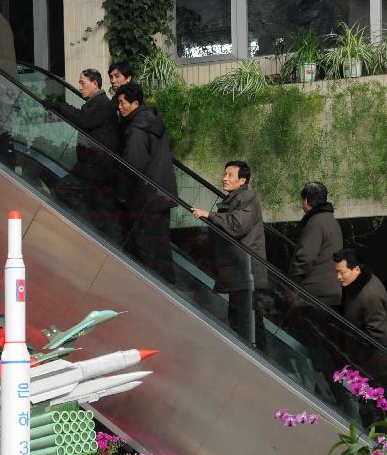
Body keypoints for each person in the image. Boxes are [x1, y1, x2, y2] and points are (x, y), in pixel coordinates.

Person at [192, 161, 267, 347]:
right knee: (242, 319)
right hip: (238, 271)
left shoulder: (247, 199)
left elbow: (237, 225)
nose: (224, 178)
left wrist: (209, 215)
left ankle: (256, 357)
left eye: (230, 175)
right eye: (224, 174)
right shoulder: (237, 199)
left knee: (247, 321)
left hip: (245, 272)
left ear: (242, 180)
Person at [115, 82, 177, 283]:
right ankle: (169, 292)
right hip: (162, 195)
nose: (119, 107)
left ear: (135, 103)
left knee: (146, 250)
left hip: (145, 199)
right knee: (161, 248)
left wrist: (123, 195)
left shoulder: (137, 129)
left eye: (122, 102)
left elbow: (133, 165)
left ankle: (155, 294)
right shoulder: (153, 122)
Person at [48, 69, 121, 240]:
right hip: (97, 165)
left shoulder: (100, 104)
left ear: (95, 84)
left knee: (63, 188)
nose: (79, 87)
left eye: (83, 82)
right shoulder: (97, 104)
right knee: (104, 207)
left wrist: (59, 105)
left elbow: (82, 120)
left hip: (95, 165)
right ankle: (104, 235)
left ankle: (89, 226)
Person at [287, 181, 343, 306]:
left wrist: (291, 283)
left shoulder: (315, 222)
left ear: (306, 202)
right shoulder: (331, 220)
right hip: (331, 289)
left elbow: (306, 257)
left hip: (313, 292)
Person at [333, 248, 387, 353]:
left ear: (357, 270)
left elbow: (376, 335)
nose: (338, 277)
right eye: (337, 272)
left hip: (374, 365)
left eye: (342, 272)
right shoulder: (359, 282)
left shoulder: (370, 296)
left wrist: (352, 353)